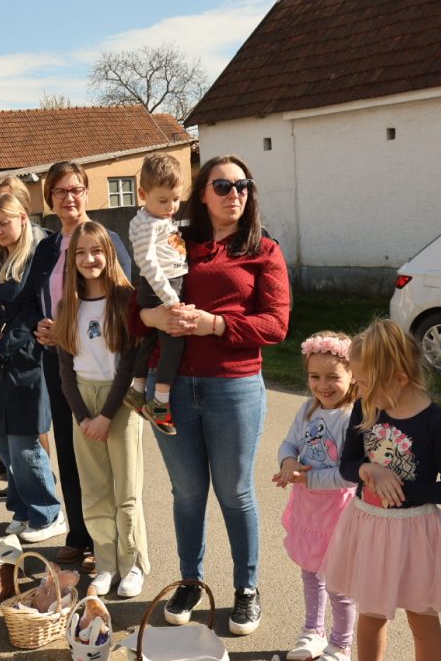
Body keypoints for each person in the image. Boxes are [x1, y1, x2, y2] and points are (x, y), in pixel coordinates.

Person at [138, 155, 290, 635]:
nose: (234, 194)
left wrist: (217, 323)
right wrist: (150, 318)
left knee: (235, 492)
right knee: (186, 493)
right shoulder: (176, 239)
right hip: (172, 384)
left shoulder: (264, 250)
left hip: (234, 386)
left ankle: (246, 589)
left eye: (242, 185)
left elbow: (276, 324)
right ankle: (189, 581)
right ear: (201, 193)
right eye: (222, 185)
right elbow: (133, 300)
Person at [321, 319, 441, 661]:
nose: (357, 389)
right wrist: (369, 469)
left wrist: (401, 489)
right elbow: (349, 464)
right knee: (371, 611)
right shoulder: (366, 407)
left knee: (423, 619)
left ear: (399, 378)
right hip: (368, 527)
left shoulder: (438, 423)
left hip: (414, 532)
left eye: (364, 381)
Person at [30, 162, 132, 566]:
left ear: (87, 192)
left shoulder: (107, 240)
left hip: (104, 366)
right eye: (60, 192)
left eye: (75, 189)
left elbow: (126, 297)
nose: (68, 198)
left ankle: (113, 544)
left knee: (107, 457)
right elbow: (33, 298)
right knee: (72, 449)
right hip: (61, 363)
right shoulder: (46, 247)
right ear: (50, 198)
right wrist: (39, 326)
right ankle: (81, 533)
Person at [52, 221, 149, 597]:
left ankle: (133, 563)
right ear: (71, 259)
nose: (88, 259)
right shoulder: (67, 305)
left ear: (109, 253)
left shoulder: (125, 298)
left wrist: (107, 415)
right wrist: (82, 416)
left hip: (119, 402)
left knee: (126, 491)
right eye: (80, 252)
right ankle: (106, 563)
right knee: (94, 492)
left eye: (96, 250)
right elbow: (64, 367)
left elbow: (129, 363)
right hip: (83, 402)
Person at [0, 192, 65, 544]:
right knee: (2, 444)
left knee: (25, 446)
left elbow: (30, 312)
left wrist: (1, 350)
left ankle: (47, 512)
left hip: (25, 363)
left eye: (4, 223)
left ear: (23, 219)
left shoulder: (34, 258)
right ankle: (22, 508)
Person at [271, 331, 358, 661]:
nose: (323, 385)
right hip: (309, 509)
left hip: (338, 511)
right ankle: (313, 631)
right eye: (315, 376)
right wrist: (288, 463)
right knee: (311, 572)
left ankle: (341, 647)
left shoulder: (356, 417)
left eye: (333, 376)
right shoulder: (308, 409)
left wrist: (309, 479)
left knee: (339, 581)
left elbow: (351, 475)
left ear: (353, 375)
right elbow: (289, 443)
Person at [126, 152, 189, 434]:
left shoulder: (154, 218)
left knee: (149, 341)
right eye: (163, 200)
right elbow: (147, 263)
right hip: (160, 289)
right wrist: (170, 299)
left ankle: (137, 390)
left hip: (162, 287)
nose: (171, 206)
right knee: (173, 344)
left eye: (176, 199)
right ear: (142, 193)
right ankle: (160, 405)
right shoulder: (147, 224)